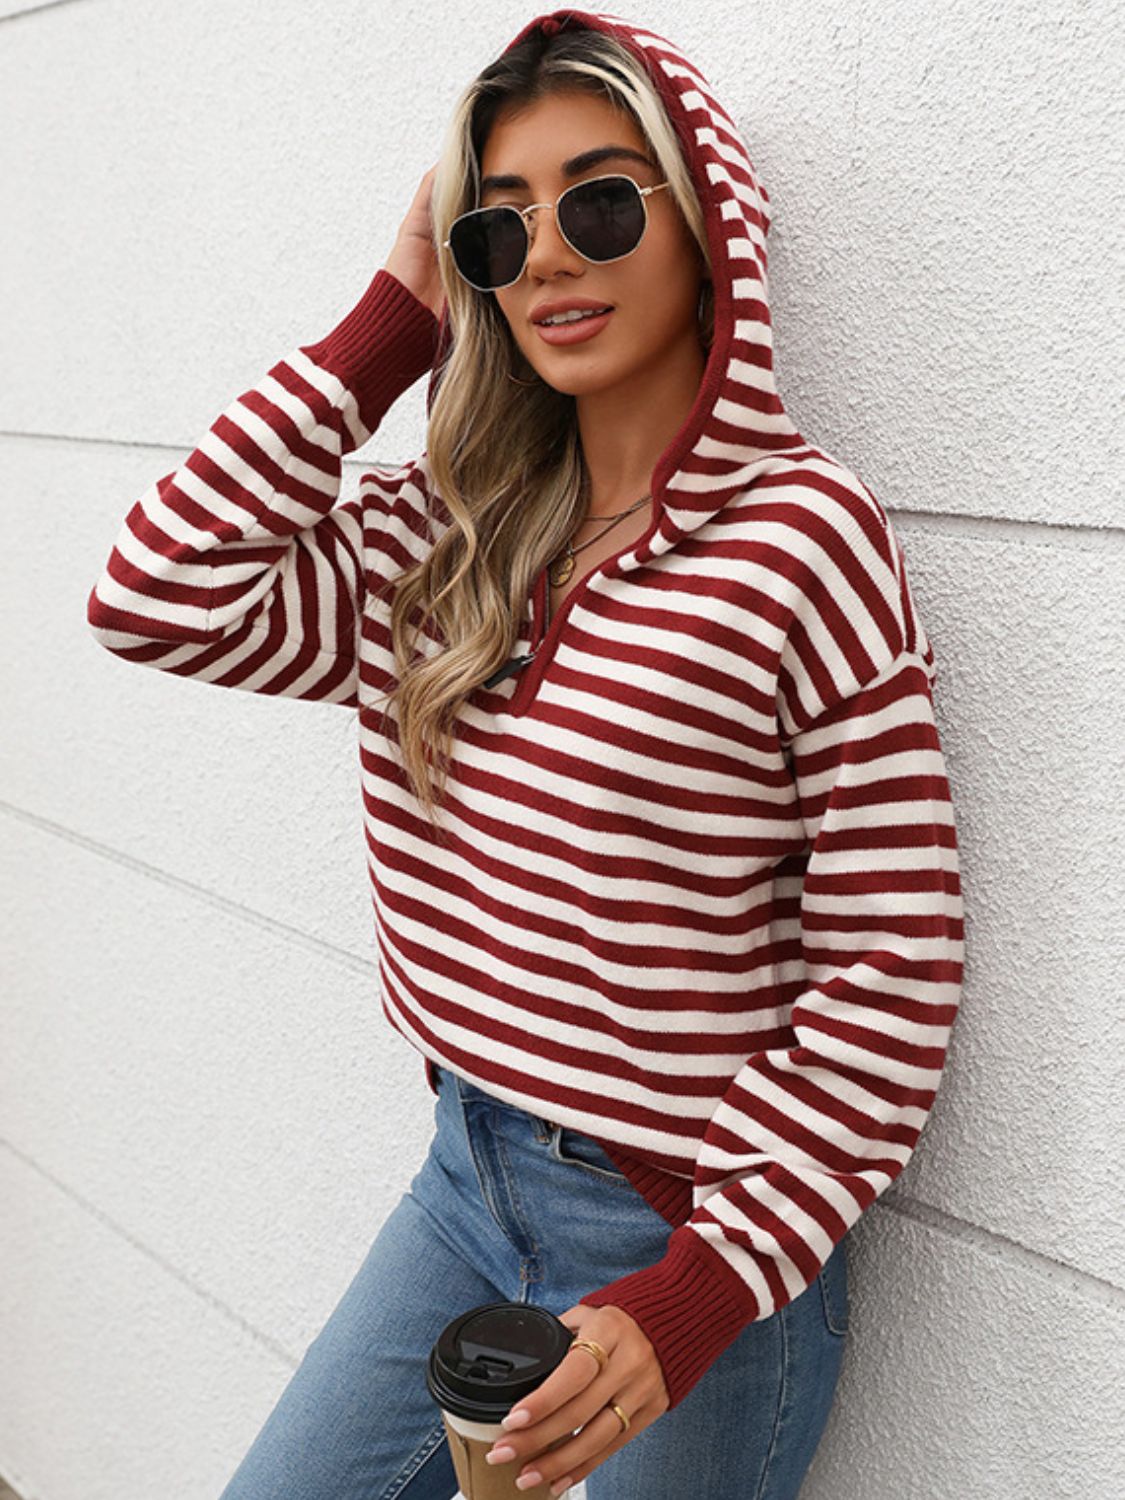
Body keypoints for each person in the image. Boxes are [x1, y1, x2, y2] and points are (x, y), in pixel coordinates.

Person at [86, 9, 965, 1498]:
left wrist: (694, 1294)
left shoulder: (798, 541)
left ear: (705, 233)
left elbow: (892, 966)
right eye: (495, 230)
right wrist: (391, 319)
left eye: (603, 202)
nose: (546, 255)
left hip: (686, 1232)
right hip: (463, 1183)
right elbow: (156, 595)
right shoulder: (437, 540)